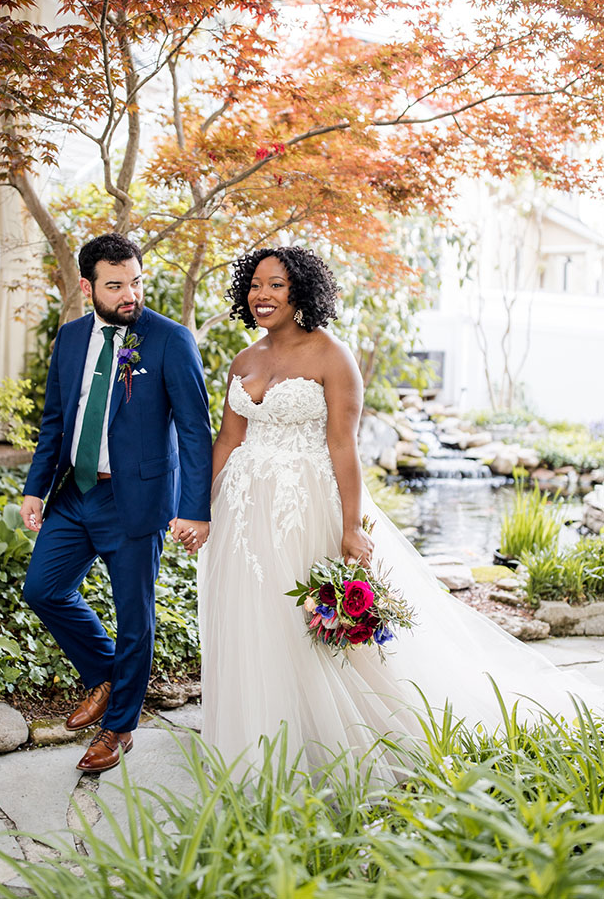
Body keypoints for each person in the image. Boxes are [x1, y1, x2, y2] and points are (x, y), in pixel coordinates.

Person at [198, 246, 601, 780]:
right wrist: (199, 509)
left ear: (300, 293)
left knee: (303, 623)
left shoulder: (331, 356)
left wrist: (349, 527)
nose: (262, 295)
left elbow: (344, 446)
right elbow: (227, 439)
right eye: (254, 285)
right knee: (253, 617)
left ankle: (325, 741)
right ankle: (259, 740)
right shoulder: (243, 361)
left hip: (304, 508)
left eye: (276, 285)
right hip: (243, 511)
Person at [21, 233, 212, 773]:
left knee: (135, 616)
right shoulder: (71, 337)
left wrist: (196, 508)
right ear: (87, 286)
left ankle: (120, 726)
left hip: (137, 497)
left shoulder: (170, 341)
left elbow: (197, 432)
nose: (129, 294)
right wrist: (36, 486)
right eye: (115, 285)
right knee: (43, 589)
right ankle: (110, 674)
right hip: (74, 492)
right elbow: (56, 420)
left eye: (136, 281)